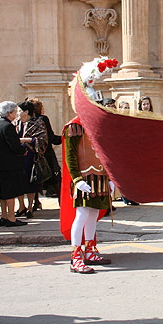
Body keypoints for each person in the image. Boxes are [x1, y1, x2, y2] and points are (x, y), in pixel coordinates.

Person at [60, 67, 116, 274]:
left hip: (99, 177)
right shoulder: (73, 127)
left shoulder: (97, 126)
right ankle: (76, 256)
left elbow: (105, 154)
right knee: (82, 215)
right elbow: (70, 158)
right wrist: (76, 180)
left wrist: (110, 178)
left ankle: (91, 249)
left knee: (92, 215)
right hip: (84, 178)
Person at [15, 100, 48, 219]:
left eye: (19, 111)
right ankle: (21, 206)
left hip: (30, 157)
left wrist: (27, 140)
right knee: (18, 183)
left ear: (26, 111)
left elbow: (43, 140)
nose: (17, 113)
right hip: (17, 157)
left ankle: (29, 207)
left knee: (30, 183)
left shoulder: (38, 123)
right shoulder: (15, 123)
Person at [0, 101, 27, 227]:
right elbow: (14, 146)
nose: (16, 113)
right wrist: (23, 149)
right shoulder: (8, 126)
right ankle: (11, 218)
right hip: (10, 164)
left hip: (1, 163)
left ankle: (4, 216)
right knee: (10, 191)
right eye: (14, 111)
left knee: (3, 192)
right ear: (9, 113)